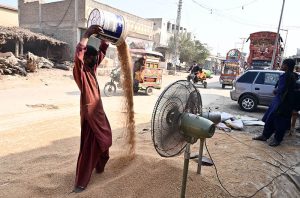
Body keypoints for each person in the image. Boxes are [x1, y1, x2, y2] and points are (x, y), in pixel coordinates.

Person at [72, 25, 112, 192]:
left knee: (106, 141)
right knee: (89, 149)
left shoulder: (91, 68)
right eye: (92, 58)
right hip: (90, 116)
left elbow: (101, 53)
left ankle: (99, 167)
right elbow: (79, 54)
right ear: (86, 58)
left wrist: (105, 39)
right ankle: (80, 183)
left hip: (99, 114)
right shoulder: (80, 71)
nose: (96, 61)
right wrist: (87, 34)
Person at [253, 59, 297, 146]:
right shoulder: (292, 75)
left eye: (283, 64)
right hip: (281, 102)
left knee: (279, 122)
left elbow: (282, 89)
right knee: (270, 119)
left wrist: (276, 91)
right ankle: (265, 136)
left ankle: (277, 140)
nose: (281, 65)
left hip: (282, 103)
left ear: (287, 66)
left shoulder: (287, 76)